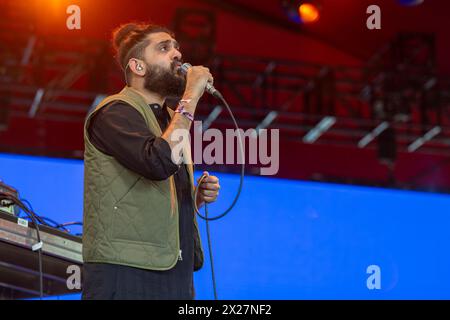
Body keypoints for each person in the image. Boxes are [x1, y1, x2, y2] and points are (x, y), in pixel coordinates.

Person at [81, 22, 221, 300]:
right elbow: (156, 163)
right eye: (164, 48)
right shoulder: (114, 112)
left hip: (173, 272)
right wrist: (191, 95)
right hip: (127, 273)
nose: (177, 54)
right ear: (138, 67)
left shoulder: (171, 119)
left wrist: (194, 198)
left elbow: (151, 191)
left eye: (177, 46)